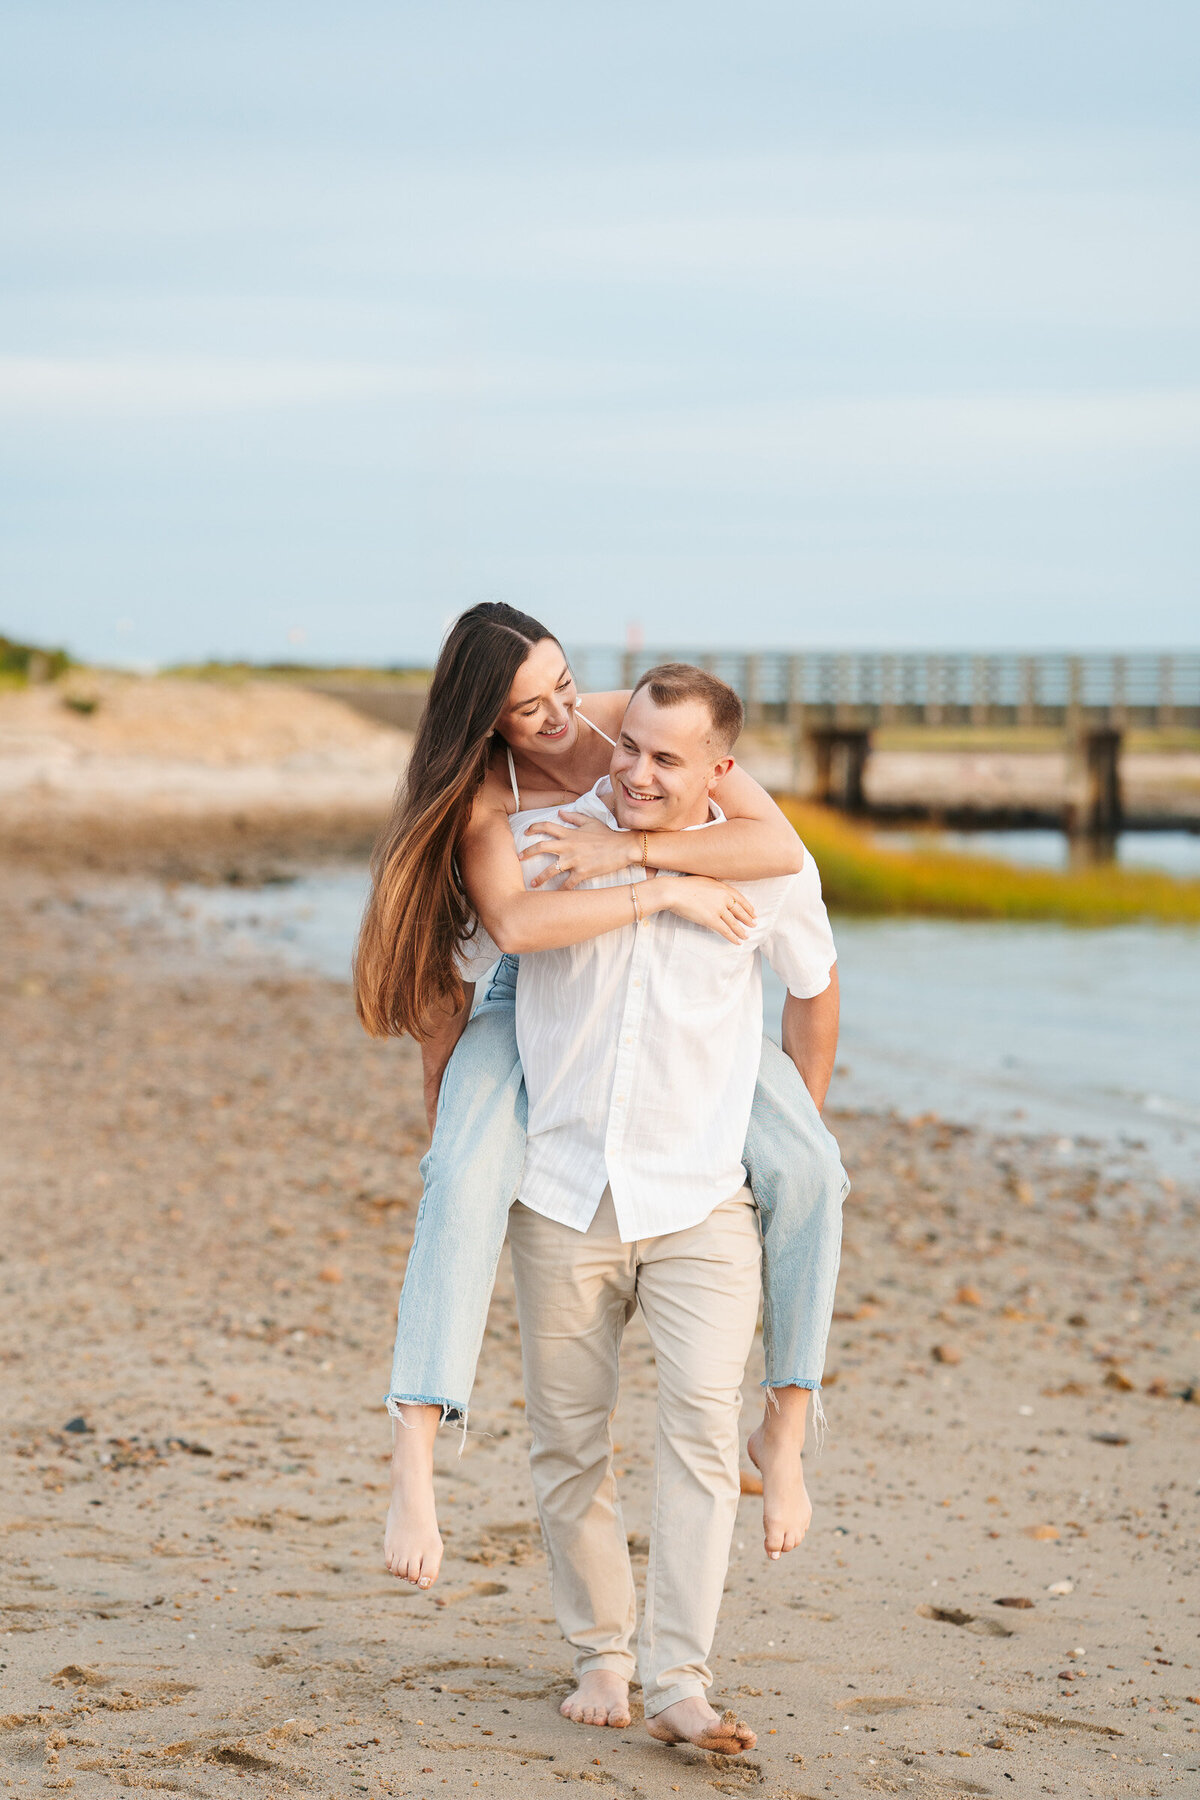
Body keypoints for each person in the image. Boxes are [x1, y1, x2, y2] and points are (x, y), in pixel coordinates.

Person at [354, 605, 847, 1619]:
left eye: (566, 688)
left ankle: (786, 1425)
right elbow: (518, 930)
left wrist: (639, 861)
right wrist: (661, 893)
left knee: (811, 1171)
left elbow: (777, 850)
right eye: (526, 708)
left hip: (684, 1012)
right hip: (532, 991)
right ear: (481, 720)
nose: (562, 720)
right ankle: (414, 1449)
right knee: (458, 1176)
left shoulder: (636, 723)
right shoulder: (488, 792)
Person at [503, 662, 838, 1754]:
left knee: (698, 1435)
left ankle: (679, 1677)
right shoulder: (544, 838)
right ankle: (602, 1649)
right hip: (563, 1194)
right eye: (629, 746)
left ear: (719, 771)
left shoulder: (767, 866)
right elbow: (471, 970)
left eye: (667, 758)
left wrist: (798, 1130)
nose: (636, 772)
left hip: (701, 1202)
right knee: (569, 1442)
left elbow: (815, 981)